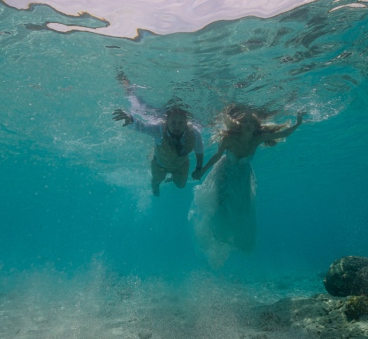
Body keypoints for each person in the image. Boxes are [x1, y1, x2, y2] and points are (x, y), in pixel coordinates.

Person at [189, 106, 305, 267]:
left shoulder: (258, 139)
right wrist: (201, 171)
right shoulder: (228, 139)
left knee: (241, 209)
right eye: (245, 121)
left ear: (256, 125)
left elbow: (282, 133)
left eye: (252, 121)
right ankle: (218, 237)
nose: (248, 124)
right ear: (239, 124)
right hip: (223, 175)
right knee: (221, 207)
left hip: (243, 178)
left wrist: (298, 123)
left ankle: (234, 240)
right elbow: (216, 156)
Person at [112, 83, 204, 196]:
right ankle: (155, 186)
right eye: (173, 123)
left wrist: (199, 168)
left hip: (181, 165)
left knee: (181, 185)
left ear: (186, 123)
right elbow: (143, 127)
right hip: (160, 165)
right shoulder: (159, 130)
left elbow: (199, 150)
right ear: (167, 122)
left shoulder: (194, 133)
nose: (177, 126)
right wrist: (131, 119)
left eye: (181, 123)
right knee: (156, 181)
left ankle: (173, 177)